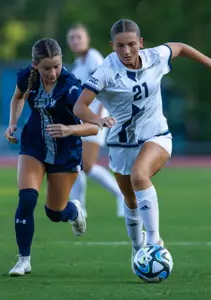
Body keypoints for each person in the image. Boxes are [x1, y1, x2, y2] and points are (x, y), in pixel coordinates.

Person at [73, 19, 211, 272]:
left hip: (156, 135)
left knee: (140, 175)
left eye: (130, 45)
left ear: (140, 42)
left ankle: (154, 241)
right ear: (111, 46)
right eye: (119, 46)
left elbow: (179, 47)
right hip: (122, 143)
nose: (126, 51)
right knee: (130, 199)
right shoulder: (105, 70)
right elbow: (79, 106)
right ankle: (138, 248)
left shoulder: (154, 57)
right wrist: (98, 119)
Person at [4, 38, 99, 276]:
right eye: (47, 67)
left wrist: (69, 129)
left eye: (56, 66)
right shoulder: (27, 77)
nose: (53, 72)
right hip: (34, 145)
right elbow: (18, 97)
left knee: (54, 212)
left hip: (65, 152)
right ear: (35, 65)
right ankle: (23, 260)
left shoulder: (71, 86)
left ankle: (74, 212)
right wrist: (13, 123)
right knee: (26, 200)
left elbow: (93, 127)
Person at [66, 24, 124, 218]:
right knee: (77, 164)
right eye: (72, 38)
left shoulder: (93, 58)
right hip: (82, 120)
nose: (75, 41)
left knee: (86, 165)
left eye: (79, 37)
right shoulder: (78, 63)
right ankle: (79, 207)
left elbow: (102, 89)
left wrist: (98, 120)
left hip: (95, 119)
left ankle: (121, 195)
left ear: (87, 39)